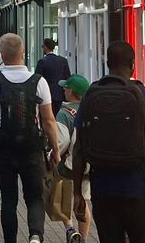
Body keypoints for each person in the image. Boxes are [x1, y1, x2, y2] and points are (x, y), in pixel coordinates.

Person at [73, 41, 145, 243]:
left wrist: (77, 193)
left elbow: (79, 149)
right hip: (139, 190)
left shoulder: (91, 96)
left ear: (107, 63)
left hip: (104, 190)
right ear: (133, 65)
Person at [0, 33, 60, 243]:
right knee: (35, 196)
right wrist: (56, 151)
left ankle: (11, 240)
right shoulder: (39, 81)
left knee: (8, 199)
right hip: (32, 147)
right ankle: (35, 235)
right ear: (23, 54)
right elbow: (49, 121)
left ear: (1, 54)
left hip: (4, 148)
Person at [55, 74, 91, 243]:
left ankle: (70, 228)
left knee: (62, 198)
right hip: (89, 166)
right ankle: (83, 238)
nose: (63, 89)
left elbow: (62, 142)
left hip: (69, 166)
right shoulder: (92, 110)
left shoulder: (65, 113)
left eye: (66, 87)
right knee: (83, 200)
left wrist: (52, 155)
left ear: (72, 92)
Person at [35, 38, 71, 116]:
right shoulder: (63, 61)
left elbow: (37, 80)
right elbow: (68, 77)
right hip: (60, 94)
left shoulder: (42, 62)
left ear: (45, 47)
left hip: (46, 94)